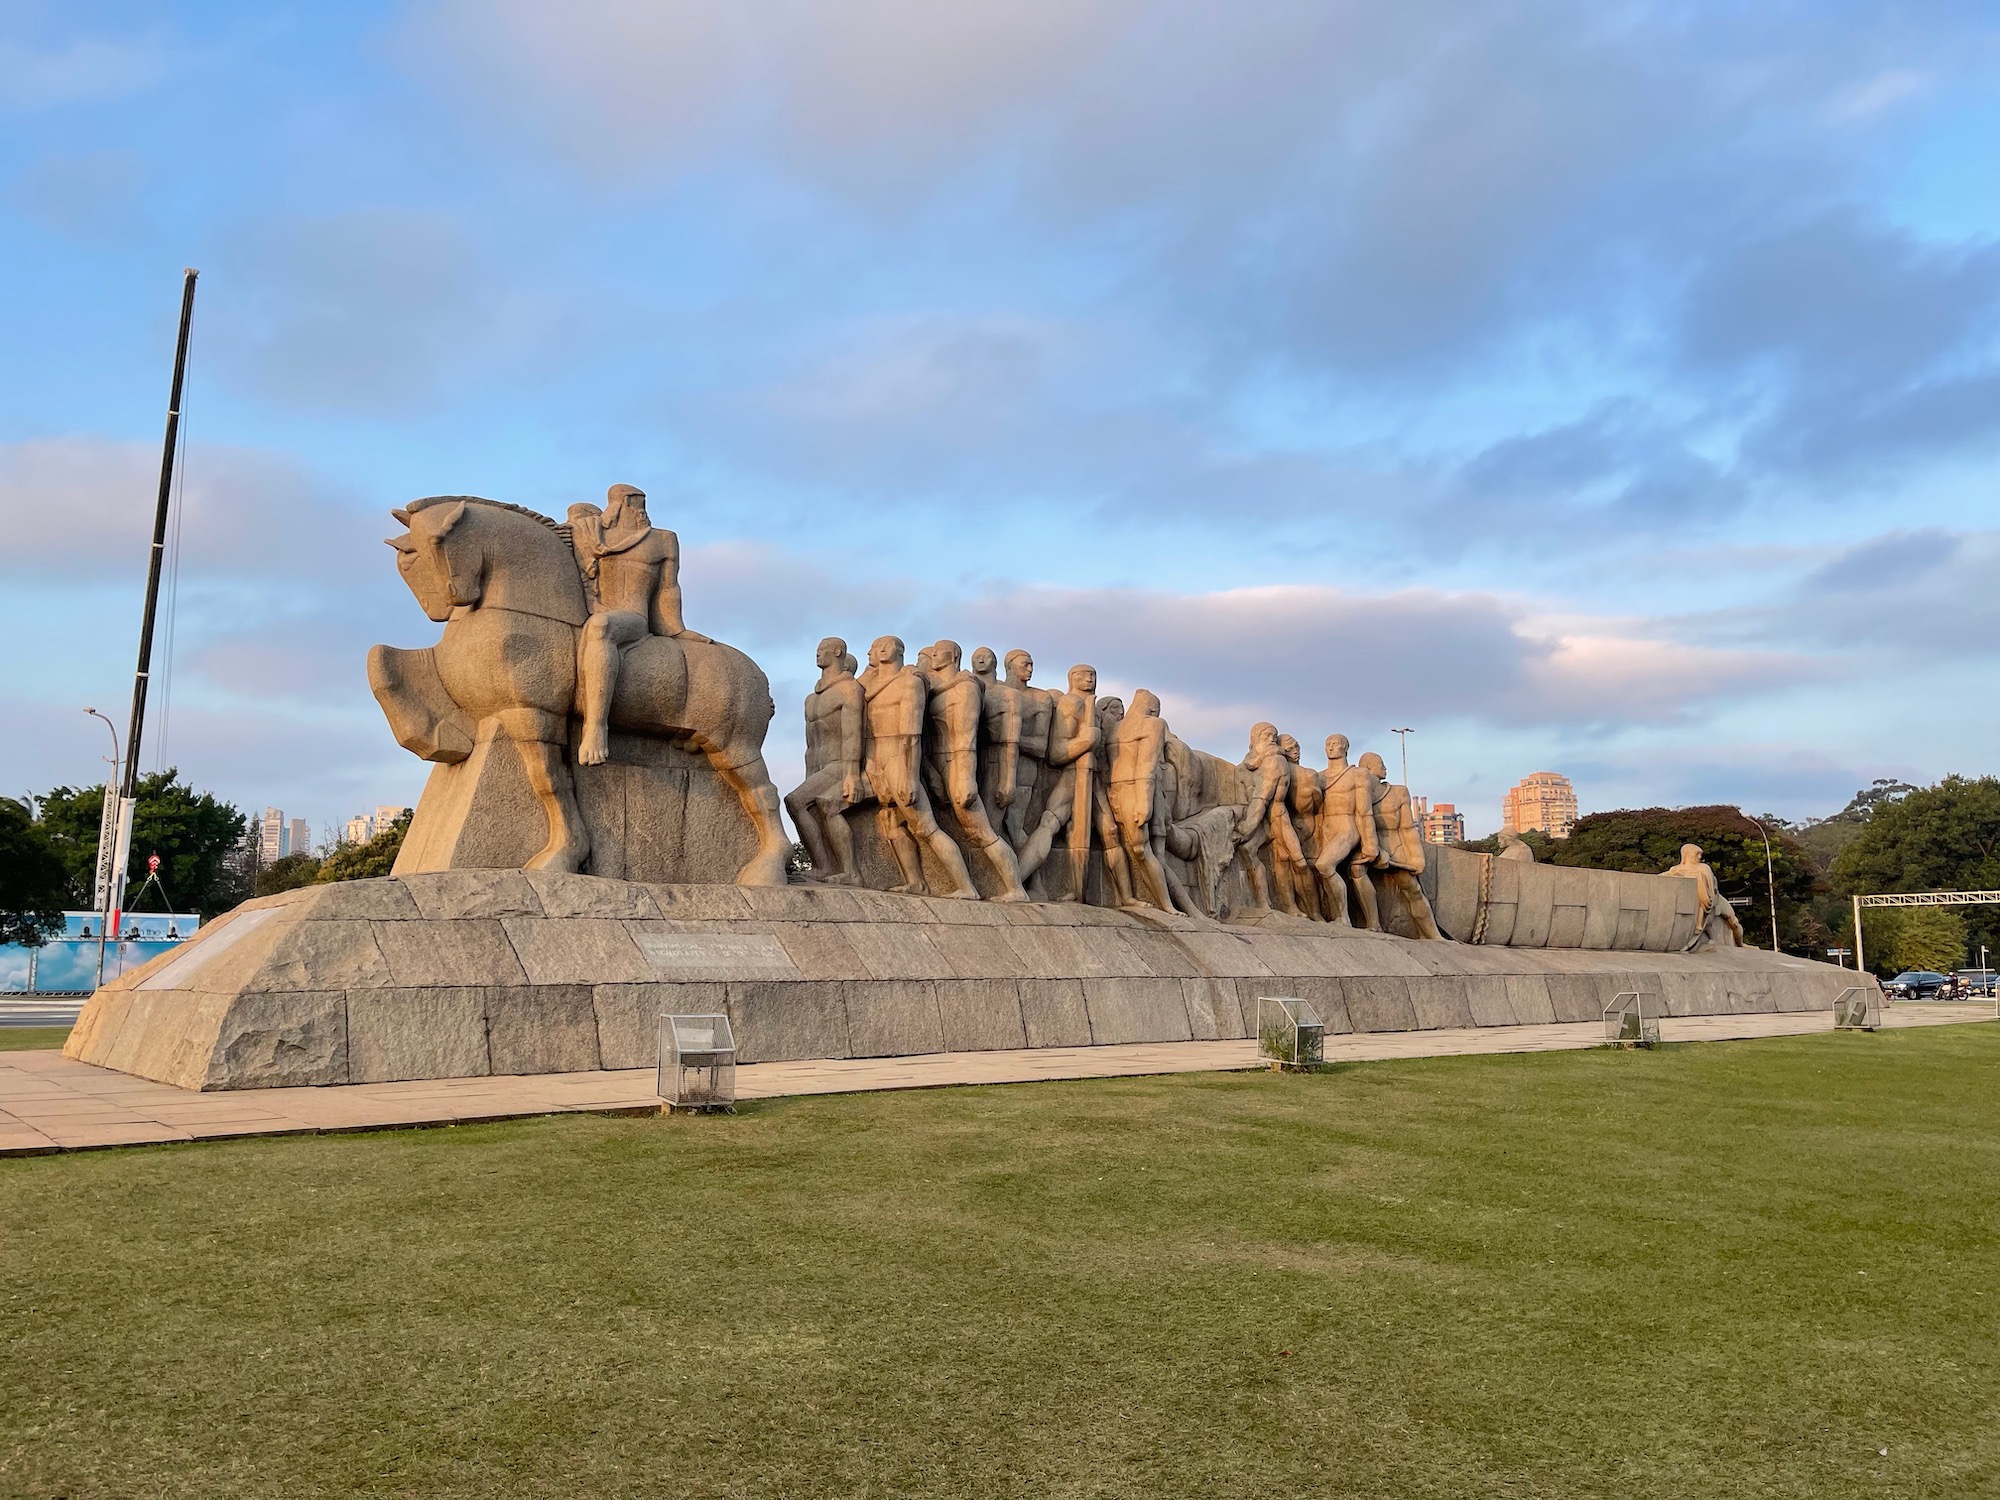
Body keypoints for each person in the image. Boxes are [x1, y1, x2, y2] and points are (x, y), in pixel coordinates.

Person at [569, 483, 712, 767]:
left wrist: (676, 629)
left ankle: (596, 728)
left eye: (643, 504)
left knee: (601, 627)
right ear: (618, 505)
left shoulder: (663, 540)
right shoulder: (590, 534)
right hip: (588, 611)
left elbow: (669, 589)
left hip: (632, 618)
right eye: (635, 503)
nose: (642, 511)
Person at [859, 636, 978, 899]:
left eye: (880, 645)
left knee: (926, 827)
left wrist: (909, 775)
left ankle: (966, 886)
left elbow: (911, 734)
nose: (873, 650)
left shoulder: (910, 683)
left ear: (893, 650)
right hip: (877, 760)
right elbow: (856, 691)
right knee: (891, 822)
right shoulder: (874, 684)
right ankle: (915, 881)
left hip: (900, 761)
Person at [920, 641, 1028, 900]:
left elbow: (965, 738)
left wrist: (965, 776)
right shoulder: (938, 689)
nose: (933, 653)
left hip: (958, 765)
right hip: (940, 767)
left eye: (940, 650)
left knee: (981, 831)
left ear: (955, 655)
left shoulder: (965, 688)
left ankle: (1015, 889)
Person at [784, 638, 866, 885]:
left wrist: (852, 775)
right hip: (817, 764)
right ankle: (824, 866)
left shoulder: (850, 690)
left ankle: (846, 871)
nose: (817, 654)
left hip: (838, 763)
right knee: (804, 805)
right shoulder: (812, 698)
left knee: (794, 801)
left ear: (838, 652)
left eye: (823, 650)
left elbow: (853, 734)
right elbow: (811, 742)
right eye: (817, 650)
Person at [1360, 751, 1443, 940]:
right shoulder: (1359, 793)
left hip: (1396, 847)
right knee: (1356, 871)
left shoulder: (1398, 792)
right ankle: (1372, 924)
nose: (1385, 767)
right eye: (1381, 763)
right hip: (1368, 847)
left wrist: (1417, 857)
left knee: (1413, 889)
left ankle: (1432, 935)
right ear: (1368, 767)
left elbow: (1407, 827)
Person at [1313, 734, 1378, 927]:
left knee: (1324, 865)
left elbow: (1365, 811)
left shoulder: (1357, 774)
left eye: (1336, 744)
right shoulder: (1319, 777)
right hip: (1325, 829)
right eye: (1327, 744)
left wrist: (1370, 843)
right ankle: (1337, 915)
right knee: (1321, 870)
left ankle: (1344, 918)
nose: (1331, 747)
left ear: (1345, 748)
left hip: (1347, 827)